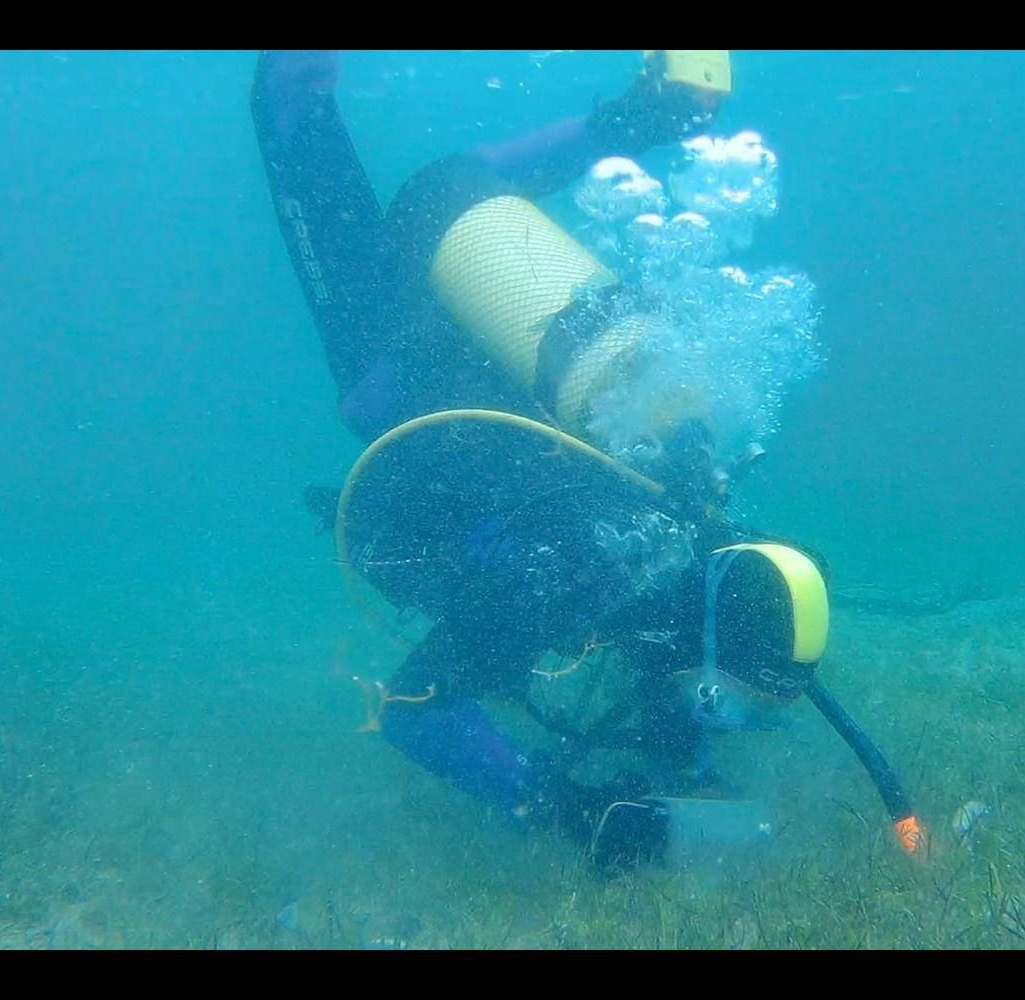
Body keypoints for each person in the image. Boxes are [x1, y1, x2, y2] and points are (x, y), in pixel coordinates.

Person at [251, 51, 922, 868]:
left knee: (445, 184)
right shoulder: (567, 575)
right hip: (394, 337)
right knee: (295, 120)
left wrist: (685, 749)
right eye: (728, 700)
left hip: (473, 218)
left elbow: (685, 648)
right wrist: (567, 810)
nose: (718, 715)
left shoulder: (695, 525)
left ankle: (635, 123)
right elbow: (411, 707)